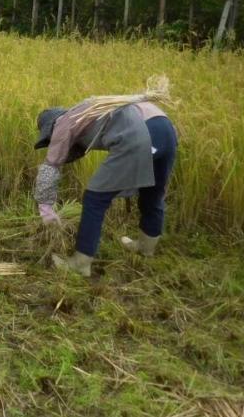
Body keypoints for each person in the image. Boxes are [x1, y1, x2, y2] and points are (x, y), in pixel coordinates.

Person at [33, 81, 177, 277]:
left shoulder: (63, 123)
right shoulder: (88, 111)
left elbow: (50, 168)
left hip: (138, 135)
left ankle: (80, 263)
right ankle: (146, 248)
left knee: (95, 198)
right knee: (152, 192)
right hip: (166, 130)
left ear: (51, 127)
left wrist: (45, 207)